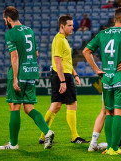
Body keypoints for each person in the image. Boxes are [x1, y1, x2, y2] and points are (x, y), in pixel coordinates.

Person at [82, 7, 121, 155]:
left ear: (114, 19)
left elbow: (86, 51)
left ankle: (109, 148)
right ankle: (114, 148)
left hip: (106, 77)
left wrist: (96, 69)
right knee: (119, 111)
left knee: (108, 112)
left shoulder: (102, 34)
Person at [0, 6, 54, 150]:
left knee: (14, 106)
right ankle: (47, 132)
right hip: (31, 72)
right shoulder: (29, 30)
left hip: (20, 73)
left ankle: (13, 143)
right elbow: (35, 54)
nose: (5, 21)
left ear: (8, 19)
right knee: (29, 107)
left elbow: (15, 56)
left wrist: (15, 78)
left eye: (5, 19)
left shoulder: (10, 33)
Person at [39, 15, 89, 144]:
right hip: (62, 76)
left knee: (55, 106)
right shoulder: (59, 40)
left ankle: (43, 136)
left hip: (62, 75)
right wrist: (63, 81)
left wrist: (75, 74)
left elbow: (66, 61)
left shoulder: (63, 39)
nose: (73, 27)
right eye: (70, 25)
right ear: (62, 26)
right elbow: (58, 61)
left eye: (72, 25)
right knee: (72, 104)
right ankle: (74, 137)